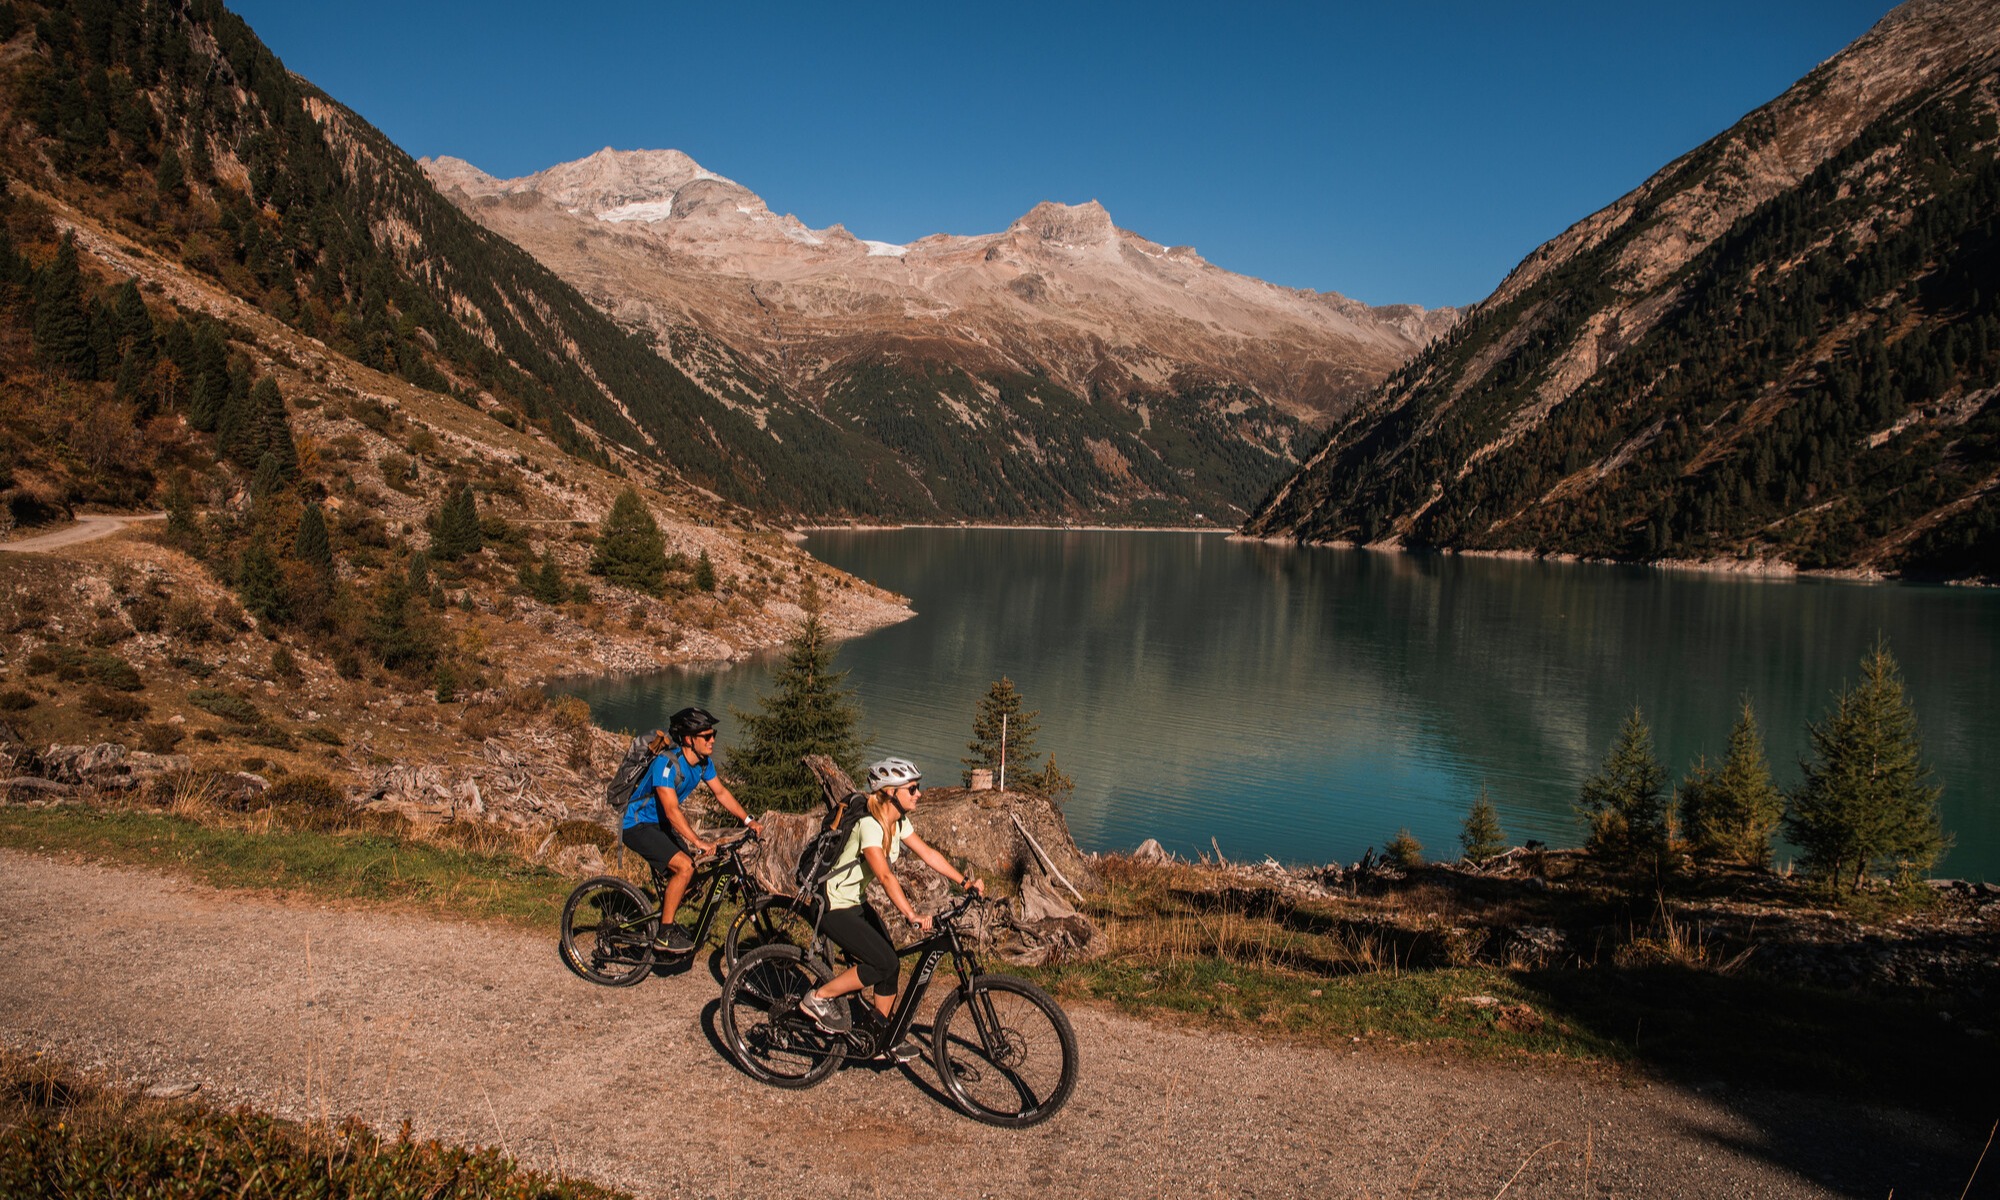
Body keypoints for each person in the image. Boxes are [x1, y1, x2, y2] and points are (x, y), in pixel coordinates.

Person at [797, 756, 981, 1060]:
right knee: (882, 962)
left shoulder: (898, 821)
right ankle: (817, 998)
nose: (919, 793)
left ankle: (878, 1037)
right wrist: (911, 914)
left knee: (889, 964)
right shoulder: (870, 826)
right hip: (832, 905)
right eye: (912, 788)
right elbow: (884, 875)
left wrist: (965, 882)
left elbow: (928, 854)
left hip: (854, 902)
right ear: (891, 792)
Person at [621, 706, 762, 953]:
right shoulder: (666, 765)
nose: (712, 740)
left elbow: (721, 792)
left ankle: (666, 916)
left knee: (693, 875)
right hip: (637, 824)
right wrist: (698, 842)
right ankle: (664, 934)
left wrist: (748, 820)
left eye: (713, 734)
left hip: (660, 823)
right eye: (706, 736)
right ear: (688, 739)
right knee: (684, 867)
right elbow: (672, 811)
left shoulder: (703, 764)